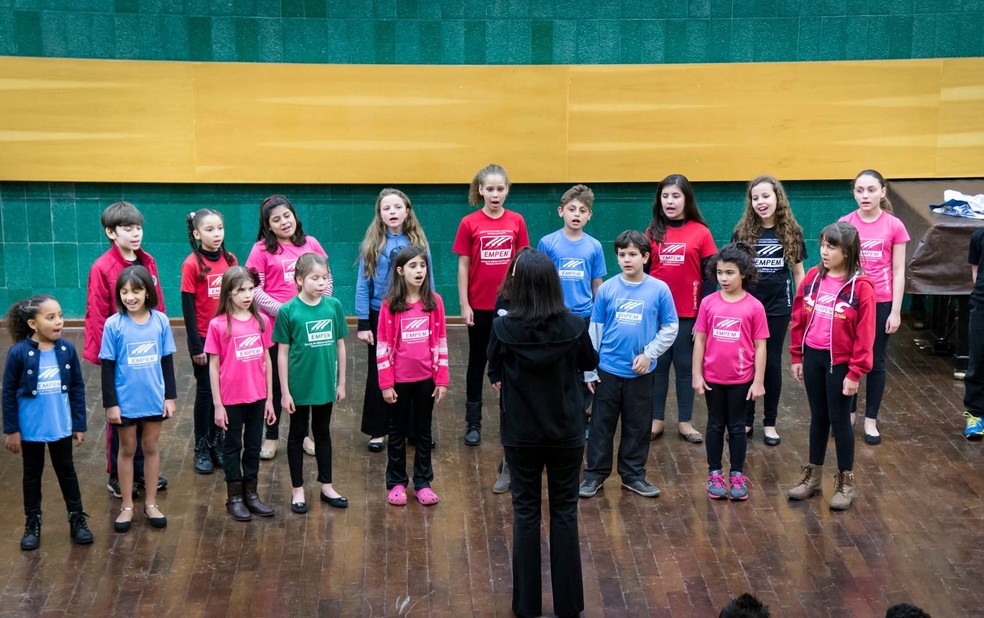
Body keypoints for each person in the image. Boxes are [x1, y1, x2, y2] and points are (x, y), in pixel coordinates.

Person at [486, 249, 598, 618]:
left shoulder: (503, 327)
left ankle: (526, 606)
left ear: (516, 283)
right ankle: (569, 606)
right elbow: (590, 362)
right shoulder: (574, 326)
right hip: (566, 433)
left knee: (525, 513)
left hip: (520, 434)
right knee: (565, 512)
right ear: (554, 283)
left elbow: (493, 370)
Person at [580, 230, 679, 499]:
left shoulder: (659, 290)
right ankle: (594, 476)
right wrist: (590, 369)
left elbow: (670, 328)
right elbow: (595, 331)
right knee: (601, 426)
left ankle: (633, 475)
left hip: (641, 374)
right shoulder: (607, 289)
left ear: (645, 257)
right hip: (607, 373)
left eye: (633, 254)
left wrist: (649, 354)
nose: (626, 259)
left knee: (637, 426)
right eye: (622, 254)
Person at [787, 222, 876, 511]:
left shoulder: (861, 287)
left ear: (848, 252)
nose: (824, 252)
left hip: (841, 364)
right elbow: (799, 317)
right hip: (813, 356)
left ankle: (845, 482)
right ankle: (813, 477)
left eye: (831, 247)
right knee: (818, 418)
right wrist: (797, 356)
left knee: (840, 421)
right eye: (823, 245)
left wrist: (855, 372)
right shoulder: (813, 277)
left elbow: (866, 334)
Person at [83, 201, 167, 500]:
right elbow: (97, 312)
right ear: (110, 232)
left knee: (148, 412)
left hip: (146, 346)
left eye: (139, 228)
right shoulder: (102, 267)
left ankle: (143, 470)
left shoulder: (148, 261)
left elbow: (156, 303)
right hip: (119, 351)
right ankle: (117, 476)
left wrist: (161, 338)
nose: (135, 234)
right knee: (120, 417)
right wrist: (102, 353)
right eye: (127, 229)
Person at [3, 295, 92, 550]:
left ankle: (77, 519)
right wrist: (11, 430)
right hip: (30, 430)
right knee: (32, 475)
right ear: (33, 323)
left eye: (60, 315)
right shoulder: (18, 353)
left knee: (67, 471)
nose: (59, 322)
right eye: (50, 317)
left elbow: (77, 387)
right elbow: (8, 393)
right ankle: (32, 522)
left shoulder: (66, 350)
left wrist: (78, 424)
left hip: (59, 425)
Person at [246, 195, 332, 460]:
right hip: (277, 327)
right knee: (275, 383)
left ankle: (305, 434)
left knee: (303, 380)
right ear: (268, 225)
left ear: (295, 216)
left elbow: (326, 279)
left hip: (309, 326)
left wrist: (319, 304)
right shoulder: (260, 250)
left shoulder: (311, 243)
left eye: (287, 215)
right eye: (276, 219)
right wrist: (284, 312)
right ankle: (271, 436)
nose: (284, 222)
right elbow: (255, 289)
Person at [452, 163, 530, 446]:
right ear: (480, 190)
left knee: (511, 362)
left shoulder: (517, 221)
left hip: (510, 305)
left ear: (506, 190)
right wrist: (464, 304)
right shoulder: (469, 223)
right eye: (490, 189)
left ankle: (512, 418)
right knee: (477, 361)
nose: (495, 194)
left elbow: (523, 263)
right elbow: (463, 266)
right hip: (479, 306)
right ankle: (473, 423)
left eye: (500, 189)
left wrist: (521, 301)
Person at [99, 266, 177, 531]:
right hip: (126, 402)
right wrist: (111, 403)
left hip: (153, 398)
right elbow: (107, 367)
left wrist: (170, 397)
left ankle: (151, 503)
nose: (129, 297)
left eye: (136, 291)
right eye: (124, 291)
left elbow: (167, 361)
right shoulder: (113, 325)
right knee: (128, 449)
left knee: (151, 447)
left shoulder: (161, 321)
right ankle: (127, 506)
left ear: (148, 292)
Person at [732, 175, 806, 445]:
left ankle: (770, 422)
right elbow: (734, 272)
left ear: (778, 198)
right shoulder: (742, 232)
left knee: (772, 362)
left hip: (778, 306)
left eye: (766, 196)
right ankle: (747, 420)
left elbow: (799, 273)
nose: (761, 202)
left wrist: (801, 307)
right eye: (755, 198)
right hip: (748, 306)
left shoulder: (791, 231)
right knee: (748, 360)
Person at [356, 188, 431, 453]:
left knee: (411, 372)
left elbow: (428, 280)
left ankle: (413, 429)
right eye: (386, 208)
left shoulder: (419, 242)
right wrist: (364, 323)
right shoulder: (372, 245)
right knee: (380, 371)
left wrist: (430, 312)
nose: (392, 212)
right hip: (380, 314)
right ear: (380, 213)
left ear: (407, 210)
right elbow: (363, 285)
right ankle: (379, 430)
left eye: (397, 207)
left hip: (412, 313)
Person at [273, 253, 349, 514]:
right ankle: (297, 490)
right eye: (314, 278)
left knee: (323, 433)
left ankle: (327, 486)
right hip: (298, 386)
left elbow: (340, 346)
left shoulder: (334, 306)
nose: (320, 283)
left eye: (324, 278)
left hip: (325, 384)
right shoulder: (287, 311)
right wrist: (284, 391)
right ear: (299, 279)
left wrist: (341, 382)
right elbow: (282, 353)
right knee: (296, 435)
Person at [693, 243, 768, 501]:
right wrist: (697, 374)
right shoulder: (708, 303)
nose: (723, 278)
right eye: (720, 272)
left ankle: (737, 474)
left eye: (730, 273)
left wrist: (758, 381)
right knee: (715, 425)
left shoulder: (755, 307)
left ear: (744, 274)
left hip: (741, 380)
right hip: (713, 379)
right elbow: (700, 340)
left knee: (737, 428)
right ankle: (714, 473)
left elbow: (760, 346)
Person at [839, 170, 909, 444]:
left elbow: (899, 269)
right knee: (850, 358)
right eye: (859, 190)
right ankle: (850, 414)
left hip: (881, 301)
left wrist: (895, 310)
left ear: (883, 191)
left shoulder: (894, 225)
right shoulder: (845, 224)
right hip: (852, 301)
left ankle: (871, 420)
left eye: (870, 189)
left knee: (876, 360)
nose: (865, 195)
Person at [647, 174, 718, 444]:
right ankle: (656, 420)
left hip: (690, 315)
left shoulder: (701, 232)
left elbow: (711, 278)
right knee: (659, 367)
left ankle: (685, 422)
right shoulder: (652, 231)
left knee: (686, 368)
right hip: (658, 316)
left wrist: (704, 317)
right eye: (665, 196)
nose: (669, 201)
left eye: (675, 196)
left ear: (686, 199)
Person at [376, 246, 448, 506]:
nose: (419, 271)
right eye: (413, 266)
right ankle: (396, 483)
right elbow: (382, 345)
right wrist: (386, 383)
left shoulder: (435, 302)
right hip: (398, 381)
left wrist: (441, 379)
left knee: (423, 432)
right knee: (397, 432)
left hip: (426, 379)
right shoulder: (389, 305)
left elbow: (441, 341)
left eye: (422, 266)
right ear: (400, 270)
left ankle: (423, 483)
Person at [205, 267, 277, 521]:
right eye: (240, 291)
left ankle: (252, 495)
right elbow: (213, 367)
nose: (247, 295)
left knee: (254, 445)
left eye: (250, 289)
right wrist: (218, 405)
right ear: (228, 293)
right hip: (231, 399)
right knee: (233, 446)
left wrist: (269, 399)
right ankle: (234, 497)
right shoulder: (218, 325)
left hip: (257, 398)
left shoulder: (262, 321)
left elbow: (267, 360)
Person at [181, 208, 237, 474]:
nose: (217, 234)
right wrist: (195, 346)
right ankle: (201, 445)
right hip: (204, 338)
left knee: (223, 391)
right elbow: (188, 306)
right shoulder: (191, 263)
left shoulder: (230, 259)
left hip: (227, 337)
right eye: (209, 229)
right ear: (197, 233)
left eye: (220, 228)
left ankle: (217, 442)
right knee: (205, 392)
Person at [963, 226, 984, 439]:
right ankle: (975, 415)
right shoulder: (979, 236)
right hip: (981, 305)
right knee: (977, 361)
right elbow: (975, 271)